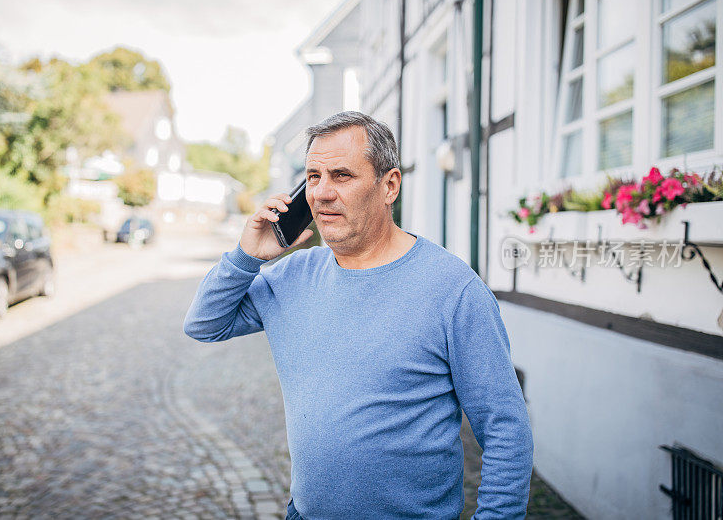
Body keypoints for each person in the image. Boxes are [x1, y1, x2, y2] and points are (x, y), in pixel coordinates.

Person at [183, 111, 533, 519]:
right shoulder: (292, 275)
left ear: (389, 185)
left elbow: (506, 430)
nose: (322, 193)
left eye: (342, 175)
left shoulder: (453, 289)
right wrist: (246, 257)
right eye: (313, 177)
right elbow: (204, 323)